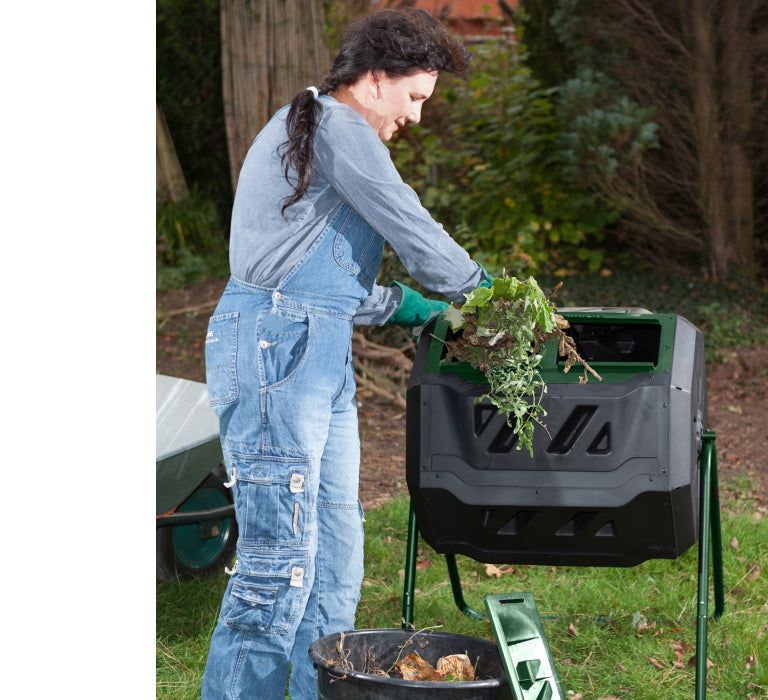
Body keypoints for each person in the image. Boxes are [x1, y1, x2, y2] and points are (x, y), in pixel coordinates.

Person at [200, 8, 491, 698]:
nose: (417, 117)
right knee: (280, 563)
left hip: (313, 349)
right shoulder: (336, 126)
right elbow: (406, 219)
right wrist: (486, 295)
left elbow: (317, 281)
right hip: (277, 353)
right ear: (375, 77)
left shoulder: (324, 133)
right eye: (415, 97)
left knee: (334, 559)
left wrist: (407, 308)